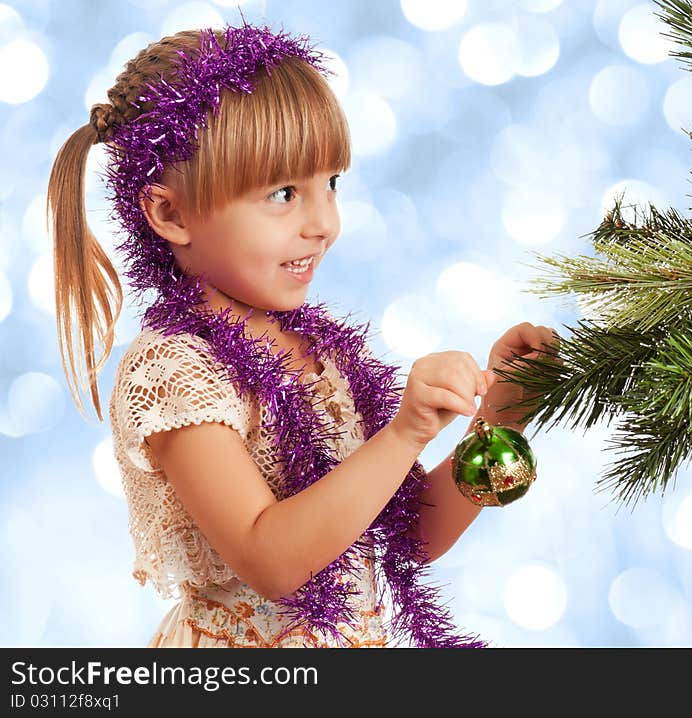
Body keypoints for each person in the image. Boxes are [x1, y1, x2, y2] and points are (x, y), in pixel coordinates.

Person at [47, 22, 559, 648]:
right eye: (284, 193)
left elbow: (403, 537)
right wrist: (404, 434)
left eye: (331, 185)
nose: (324, 223)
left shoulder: (318, 351)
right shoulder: (175, 372)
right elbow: (272, 561)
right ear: (171, 214)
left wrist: (502, 418)